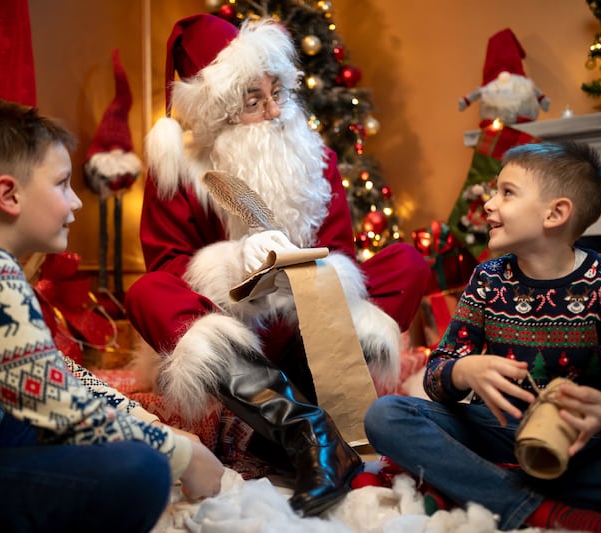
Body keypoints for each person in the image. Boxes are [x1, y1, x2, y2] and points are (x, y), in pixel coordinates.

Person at [124, 14, 430, 516]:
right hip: (238, 338)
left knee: (407, 262)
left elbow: (341, 254)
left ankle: (316, 407)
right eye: (253, 100)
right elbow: (168, 261)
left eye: (278, 92)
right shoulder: (179, 170)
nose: (273, 110)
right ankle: (303, 429)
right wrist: (231, 268)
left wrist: (305, 276)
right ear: (218, 110)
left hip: (312, 329)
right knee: (147, 291)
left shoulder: (315, 159)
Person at [0, 96, 224, 533]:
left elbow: (53, 380)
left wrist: (151, 429)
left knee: (80, 435)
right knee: (141, 470)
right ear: (8, 194)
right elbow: (61, 407)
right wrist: (180, 453)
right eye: (63, 184)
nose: (76, 203)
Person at [365, 141, 601, 532]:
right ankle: (538, 506)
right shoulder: (488, 278)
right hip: (499, 429)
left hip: (584, 444)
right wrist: (464, 371)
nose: (488, 204)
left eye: (507, 192)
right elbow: (437, 373)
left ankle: (483, 487)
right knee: (386, 415)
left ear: (555, 213)